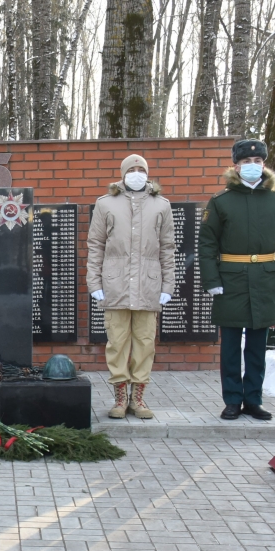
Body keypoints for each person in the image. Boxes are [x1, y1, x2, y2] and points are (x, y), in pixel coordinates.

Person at [198, 138, 275, 421]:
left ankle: (253, 400)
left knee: (257, 346)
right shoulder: (221, 202)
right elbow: (207, 244)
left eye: (257, 162)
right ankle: (232, 400)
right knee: (231, 346)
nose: (252, 166)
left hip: (266, 279)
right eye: (246, 162)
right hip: (230, 281)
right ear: (236, 166)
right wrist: (212, 280)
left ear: (264, 165)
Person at [86, 153, 175, 420]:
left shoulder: (161, 205)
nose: (137, 173)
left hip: (148, 286)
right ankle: (120, 398)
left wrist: (168, 284)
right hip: (115, 285)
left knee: (145, 343)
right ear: (123, 173)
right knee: (117, 343)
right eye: (132, 169)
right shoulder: (106, 204)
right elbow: (95, 245)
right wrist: (94, 282)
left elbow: (168, 248)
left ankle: (139, 398)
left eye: (141, 169)